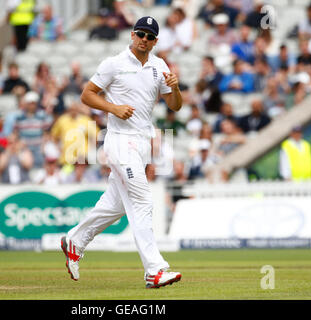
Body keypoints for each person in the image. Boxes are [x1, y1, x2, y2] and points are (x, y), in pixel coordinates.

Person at [61, 16, 182, 289]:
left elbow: (175, 106)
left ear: (155, 41)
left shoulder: (159, 65)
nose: (144, 39)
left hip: (141, 143)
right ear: (132, 34)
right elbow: (87, 95)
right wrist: (114, 109)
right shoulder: (113, 63)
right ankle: (155, 270)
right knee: (141, 201)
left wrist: (174, 87)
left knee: (114, 206)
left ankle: (75, 240)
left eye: (150, 36)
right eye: (140, 34)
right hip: (119, 141)